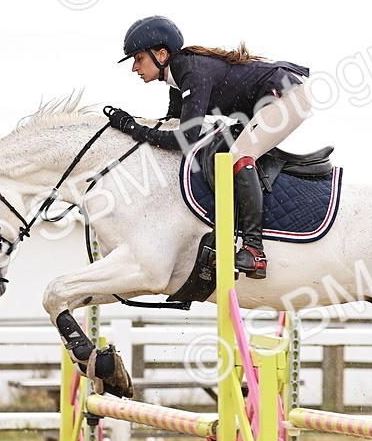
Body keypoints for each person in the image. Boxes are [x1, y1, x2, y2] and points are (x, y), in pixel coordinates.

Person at [106, 15, 313, 279]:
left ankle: (255, 251)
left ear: (161, 53)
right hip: (269, 96)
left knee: (238, 156)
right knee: (220, 151)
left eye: (138, 59)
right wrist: (132, 125)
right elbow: (171, 128)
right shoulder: (178, 80)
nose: (135, 68)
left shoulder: (191, 72)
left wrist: (132, 128)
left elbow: (186, 139)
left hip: (286, 91)